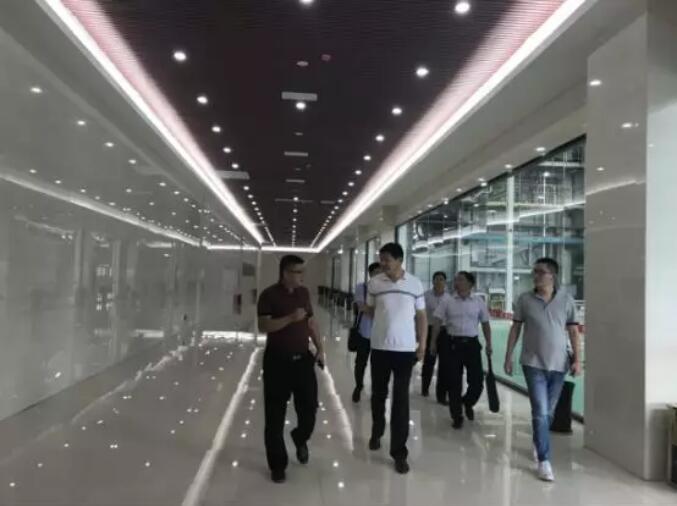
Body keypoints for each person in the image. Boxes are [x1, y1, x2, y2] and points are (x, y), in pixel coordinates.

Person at [503, 257, 581, 482]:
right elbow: (516, 329)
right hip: (533, 363)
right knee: (540, 410)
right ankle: (544, 461)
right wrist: (508, 356)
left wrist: (577, 360)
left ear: (552, 276)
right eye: (534, 272)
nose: (535, 276)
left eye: (540, 272)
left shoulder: (566, 300)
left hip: (559, 365)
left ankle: (539, 439)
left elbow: (574, 332)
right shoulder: (525, 300)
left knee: (548, 413)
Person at [257, 255, 326, 484]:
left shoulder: (303, 294)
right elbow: (263, 325)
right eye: (298, 272)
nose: (302, 276)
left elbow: (311, 322)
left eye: (303, 271)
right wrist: (289, 318)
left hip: (303, 361)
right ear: (285, 273)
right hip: (277, 362)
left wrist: (320, 347)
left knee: (310, 409)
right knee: (275, 416)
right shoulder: (268, 295)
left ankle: (299, 436)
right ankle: (278, 465)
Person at [364, 243, 427, 474]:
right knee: (378, 394)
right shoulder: (375, 283)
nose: (383, 264)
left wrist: (422, 344)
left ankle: (399, 453)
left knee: (401, 400)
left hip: (405, 351)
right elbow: (370, 311)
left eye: (387, 260)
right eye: (381, 260)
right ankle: (377, 430)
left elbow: (422, 316)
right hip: (379, 348)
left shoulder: (415, 284)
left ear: (400, 260)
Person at [431, 271, 492, 429]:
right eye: (456, 279)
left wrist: (489, 343)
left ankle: (467, 402)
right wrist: (433, 342)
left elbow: (485, 323)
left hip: (472, 345)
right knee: (454, 382)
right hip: (452, 344)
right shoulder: (447, 301)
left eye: (461, 280)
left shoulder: (478, 301)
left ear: (470, 284)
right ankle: (456, 416)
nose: (457, 282)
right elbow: (437, 321)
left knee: (477, 382)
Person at [351, 262, 382, 403]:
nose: (379, 275)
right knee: (360, 363)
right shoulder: (361, 287)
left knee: (378, 365)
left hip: (381, 335)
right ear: (370, 274)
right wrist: (382, 312)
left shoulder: (386, 289)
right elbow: (361, 307)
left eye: (381, 272)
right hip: (364, 332)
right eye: (376, 272)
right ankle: (358, 386)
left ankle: (376, 391)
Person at [421, 271, 452, 404]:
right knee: (429, 361)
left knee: (444, 364)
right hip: (429, 329)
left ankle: (441, 394)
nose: (439, 282)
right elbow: (420, 314)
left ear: (445, 282)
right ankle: (425, 388)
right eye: (436, 279)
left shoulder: (449, 298)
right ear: (433, 281)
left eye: (441, 279)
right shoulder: (426, 296)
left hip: (445, 332)